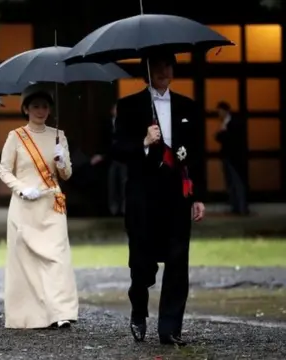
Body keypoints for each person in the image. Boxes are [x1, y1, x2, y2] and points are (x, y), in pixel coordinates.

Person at [113, 52, 205, 346]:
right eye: (157, 65)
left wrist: (198, 196)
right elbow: (117, 150)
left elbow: (198, 155)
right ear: (147, 71)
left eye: (168, 65)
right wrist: (143, 142)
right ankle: (139, 310)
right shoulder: (128, 106)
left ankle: (169, 327)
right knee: (141, 262)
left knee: (178, 261)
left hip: (177, 195)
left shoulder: (188, 106)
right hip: (143, 196)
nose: (164, 70)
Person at [0, 83, 78, 329]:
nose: (40, 110)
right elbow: (3, 170)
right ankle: (29, 315)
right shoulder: (16, 136)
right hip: (25, 205)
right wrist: (22, 188)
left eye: (44, 106)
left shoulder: (58, 135)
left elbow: (66, 174)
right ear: (25, 109)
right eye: (35, 106)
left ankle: (61, 312)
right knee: (26, 261)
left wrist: (62, 160)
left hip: (51, 204)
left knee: (57, 258)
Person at [215, 101, 249, 215]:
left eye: (220, 112)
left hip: (235, 158)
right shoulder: (225, 123)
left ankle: (242, 207)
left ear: (225, 111)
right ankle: (235, 206)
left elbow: (230, 139)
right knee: (230, 183)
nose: (218, 114)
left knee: (237, 182)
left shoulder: (233, 123)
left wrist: (222, 134)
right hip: (227, 156)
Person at [106, 103, 127, 216]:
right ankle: (113, 209)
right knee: (112, 183)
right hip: (111, 158)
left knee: (124, 183)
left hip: (123, 158)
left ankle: (124, 208)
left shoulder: (126, 124)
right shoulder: (108, 124)